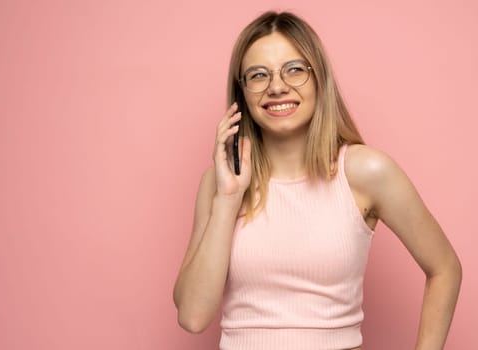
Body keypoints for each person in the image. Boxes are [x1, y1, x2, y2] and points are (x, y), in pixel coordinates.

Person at [173, 10, 462, 350]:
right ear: (243, 93)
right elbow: (193, 316)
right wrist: (227, 199)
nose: (277, 87)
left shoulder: (364, 171)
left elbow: (445, 268)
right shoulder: (220, 184)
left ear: (318, 77)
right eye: (258, 75)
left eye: (294, 70)